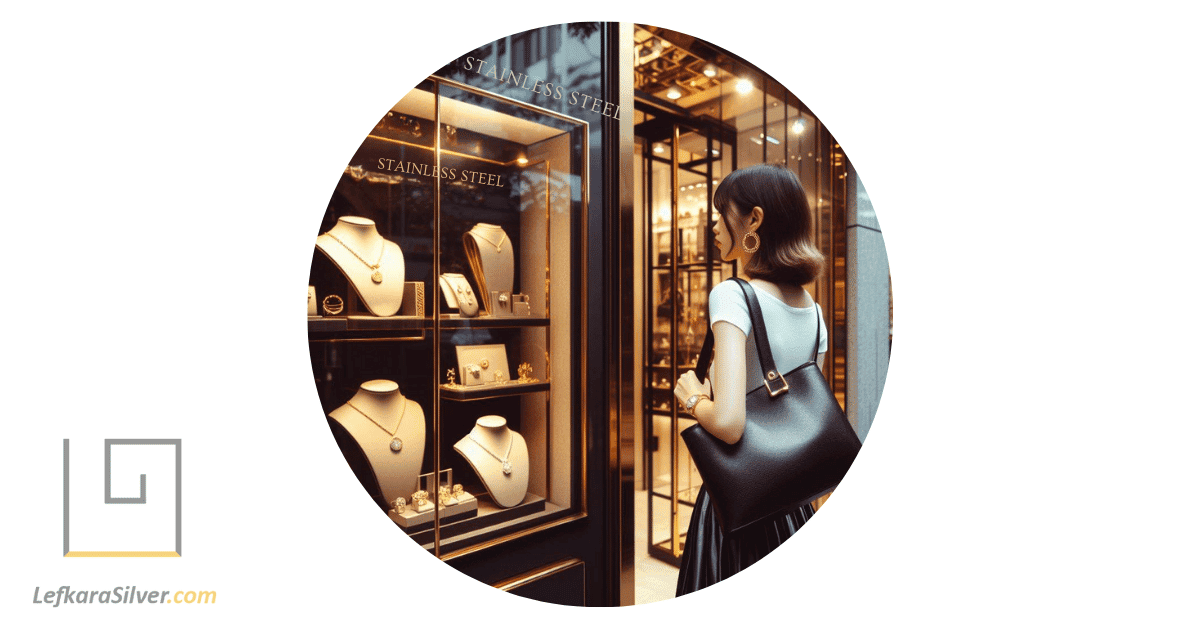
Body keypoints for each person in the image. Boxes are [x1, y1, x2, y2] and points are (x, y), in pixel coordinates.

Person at [673, 164, 828, 595]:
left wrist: (691, 398)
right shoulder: (813, 310)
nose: (713, 225)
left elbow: (729, 422)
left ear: (753, 220)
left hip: (739, 505)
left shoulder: (732, 294)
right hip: (794, 507)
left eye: (721, 212)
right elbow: (801, 409)